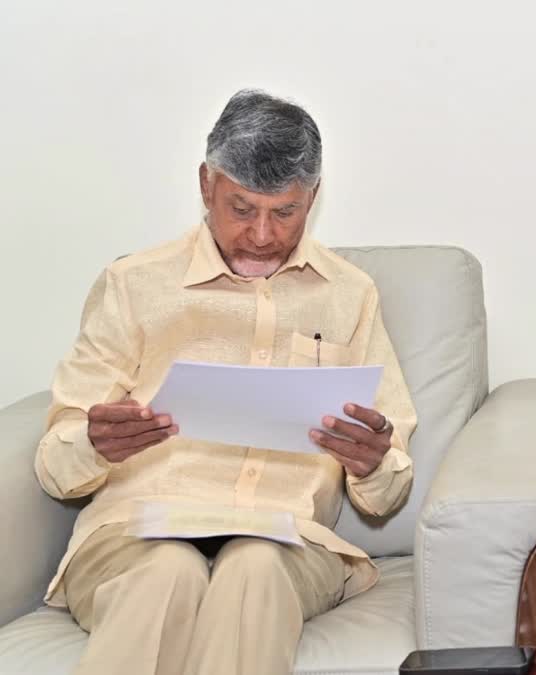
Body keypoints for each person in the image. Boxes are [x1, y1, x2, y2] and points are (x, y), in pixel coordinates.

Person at [35, 89, 417, 675]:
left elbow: (387, 490)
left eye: (285, 212)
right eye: (241, 209)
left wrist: (372, 462)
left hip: (286, 541)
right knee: (168, 571)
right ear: (206, 184)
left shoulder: (351, 294)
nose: (263, 235)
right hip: (135, 532)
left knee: (253, 566)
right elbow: (55, 469)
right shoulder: (134, 284)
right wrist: (93, 443)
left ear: (313, 197)